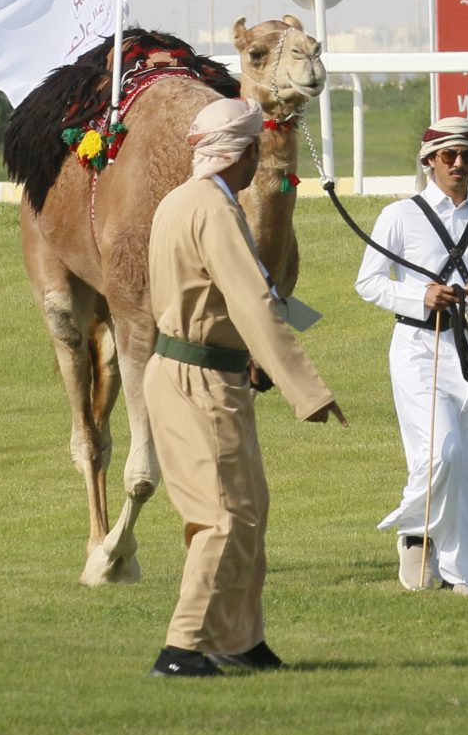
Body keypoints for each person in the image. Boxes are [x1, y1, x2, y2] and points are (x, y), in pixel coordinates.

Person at [144, 97, 343, 678]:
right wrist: (308, 389)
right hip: (198, 378)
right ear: (248, 151)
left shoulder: (185, 201)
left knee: (248, 510)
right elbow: (252, 300)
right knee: (222, 518)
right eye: (257, 145)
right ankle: (181, 650)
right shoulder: (213, 208)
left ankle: (238, 638)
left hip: (202, 372)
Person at [353, 116, 468, 595]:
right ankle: (416, 533)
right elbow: (368, 281)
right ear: (429, 160)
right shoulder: (399, 214)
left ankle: (463, 575)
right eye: (448, 155)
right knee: (441, 450)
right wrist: (419, 298)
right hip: (417, 347)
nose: (458, 164)